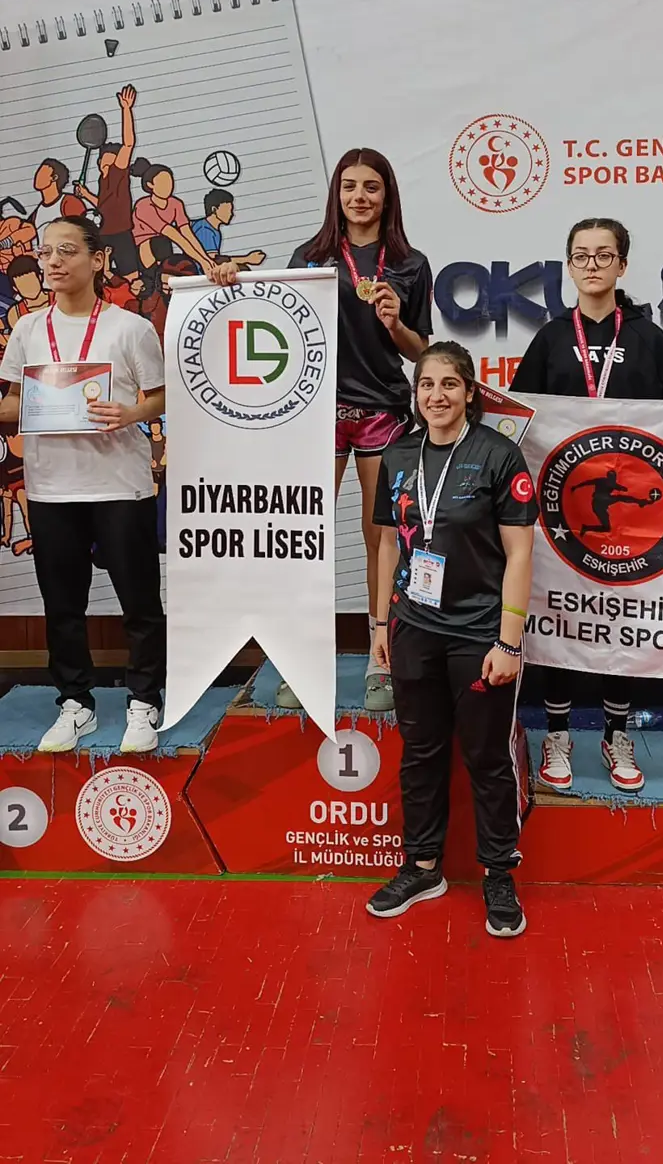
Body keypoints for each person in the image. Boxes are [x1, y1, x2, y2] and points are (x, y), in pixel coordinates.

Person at [510, 216, 663, 794]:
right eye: (581, 255)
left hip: (630, 519)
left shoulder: (647, 337)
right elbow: (516, 415)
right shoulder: (552, 338)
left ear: (623, 265)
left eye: (604, 255)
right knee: (560, 614)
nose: (592, 265)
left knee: (619, 621)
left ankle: (616, 732)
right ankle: (557, 733)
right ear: (568, 266)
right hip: (562, 512)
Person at [367, 341, 537, 937]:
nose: (435, 396)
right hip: (413, 628)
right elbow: (388, 545)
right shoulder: (398, 453)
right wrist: (381, 626)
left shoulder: (498, 455)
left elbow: (520, 554)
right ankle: (422, 867)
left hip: (479, 634)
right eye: (426, 385)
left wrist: (509, 642)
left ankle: (498, 873)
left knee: (487, 758)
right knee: (420, 752)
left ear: (469, 391)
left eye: (448, 384)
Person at [0, 215, 167, 754]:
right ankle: (76, 703)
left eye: (66, 250)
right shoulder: (27, 329)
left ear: (98, 260)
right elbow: (8, 403)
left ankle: (145, 701)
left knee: (139, 602)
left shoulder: (130, 327)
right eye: (46, 251)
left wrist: (130, 412)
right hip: (51, 487)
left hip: (120, 483)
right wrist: (38, 404)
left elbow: (161, 396)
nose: (52, 261)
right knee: (62, 606)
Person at [284, 148, 432, 714]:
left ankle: (379, 658)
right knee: (304, 534)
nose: (360, 197)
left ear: (387, 194)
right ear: (336, 193)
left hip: (381, 411)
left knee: (382, 538)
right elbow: (274, 324)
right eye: (350, 186)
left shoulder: (410, 264)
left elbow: (420, 352)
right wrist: (228, 280)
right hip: (315, 411)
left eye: (372, 186)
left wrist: (395, 323)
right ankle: (301, 658)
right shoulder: (309, 257)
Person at [75, 85, 147, 279]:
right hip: (103, 234)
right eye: (103, 160)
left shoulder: (118, 172)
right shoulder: (103, 179)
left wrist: (126, 109)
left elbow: (129, 143)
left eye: (113, 159)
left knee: (132, 278)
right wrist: (85, 194)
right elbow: (103, 205)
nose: (106, 163)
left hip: (121, 234)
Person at [132, 163, 215, 274]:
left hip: (164, 246)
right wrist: (201, 261)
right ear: (150, 185)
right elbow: (174, 235)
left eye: (170, 182)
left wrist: (207, 259)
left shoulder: (176, 203)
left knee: (167, 246)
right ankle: (152, 274)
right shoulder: (143, 206)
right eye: (162, 183)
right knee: (159, 241)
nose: (168, 186)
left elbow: (188, 234)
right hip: (142, 250)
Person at [191, 190, 265, 275]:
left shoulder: (212, 228)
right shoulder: (205, 230)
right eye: (228, 210)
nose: (231, 214)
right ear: (214, 210)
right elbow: (215, 260)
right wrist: (247, 259)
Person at [5, 255, 50, 328]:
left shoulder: (59, 298)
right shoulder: (15, 314)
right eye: (23, 285)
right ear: (15, 288)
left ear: (39, 277)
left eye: (31, 282)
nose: (29, 288)